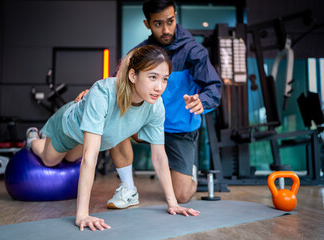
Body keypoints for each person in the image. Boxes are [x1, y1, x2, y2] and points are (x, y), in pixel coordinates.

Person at [26, 45, 200, 231]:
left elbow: (159, 157)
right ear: (133, 75)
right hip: (66, 127)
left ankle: (42, 140)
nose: (159, 87)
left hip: (84, 137)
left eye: (164, 79)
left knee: (70, 159)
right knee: (50, 159)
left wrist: (172, 203)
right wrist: (82, 215)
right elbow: (90, 157)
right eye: (152, 77)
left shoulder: (156, 106)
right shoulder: (103, 93)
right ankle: (33, 138)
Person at [76, 0, 222, 208]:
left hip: (179, 128)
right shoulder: (140, 53)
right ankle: (128, 188)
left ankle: (188, 171)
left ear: (175, 17)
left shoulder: (193, 52)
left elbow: (213, 87)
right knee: (113, 125)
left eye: (170, 21)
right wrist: (92, 93)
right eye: (158, 23)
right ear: (147, 24)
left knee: (181, 195)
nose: (165, 29)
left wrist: (202, 101)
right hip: (146, 122)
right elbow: (116, 83)